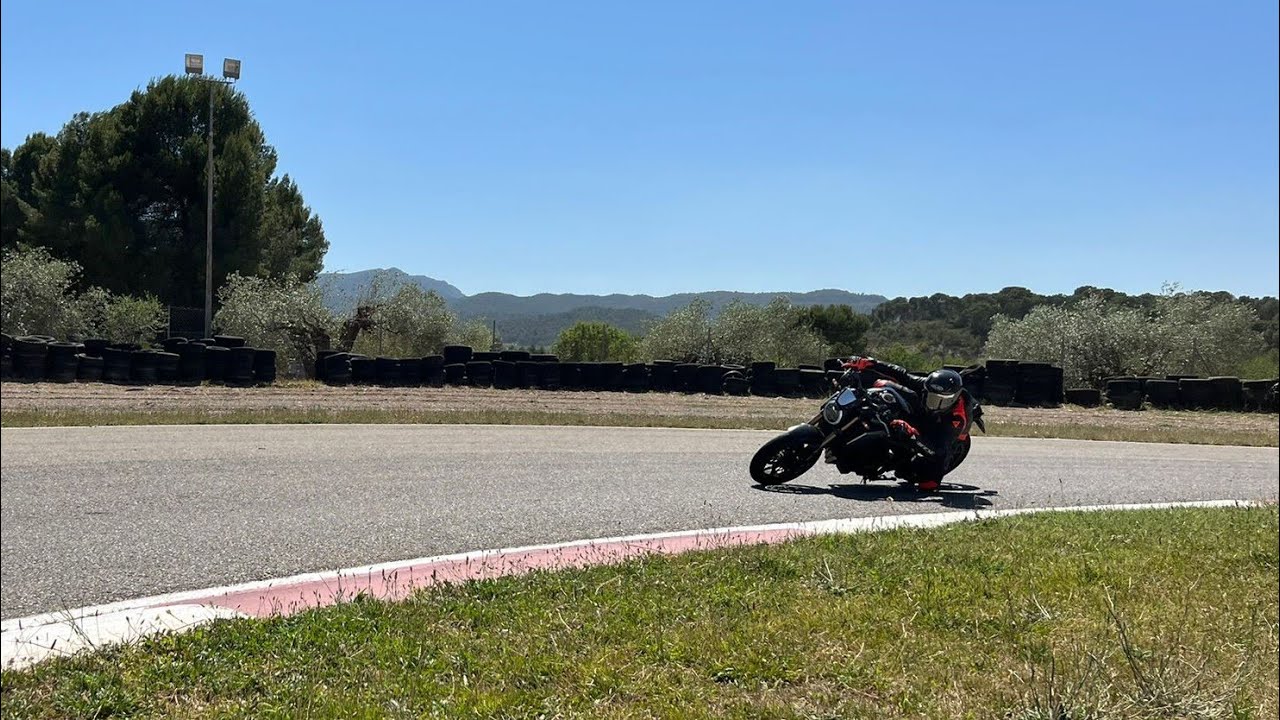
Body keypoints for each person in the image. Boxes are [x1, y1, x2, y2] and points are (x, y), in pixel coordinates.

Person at [841, 356, 975, 492]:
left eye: (938, 400)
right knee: (885, 385)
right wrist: (871, 363)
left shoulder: (957, 418)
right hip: (924, 413)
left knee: (927, 482)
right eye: (931, 397)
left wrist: (912, 434)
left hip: (940, 431)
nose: (933, 403)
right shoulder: (928, 386)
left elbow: (938, 450)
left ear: (952, 399)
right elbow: (902, 374)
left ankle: (928, 476)